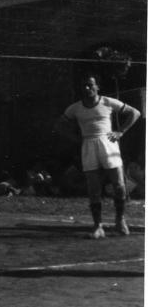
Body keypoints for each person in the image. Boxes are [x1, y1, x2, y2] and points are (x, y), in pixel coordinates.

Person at [55, 72, 140, 239]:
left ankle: (120, 220)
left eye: (90, 85)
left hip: (108, 143)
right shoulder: (75, 108)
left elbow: (134, 113)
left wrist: (121, 131)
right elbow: (59, 125)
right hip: (88, 145)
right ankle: (98, 226)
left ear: (97, 86)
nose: (87, 88)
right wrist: (76, 138)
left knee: (119, 185)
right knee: (93, 188)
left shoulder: (107, 102)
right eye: (84, 86)